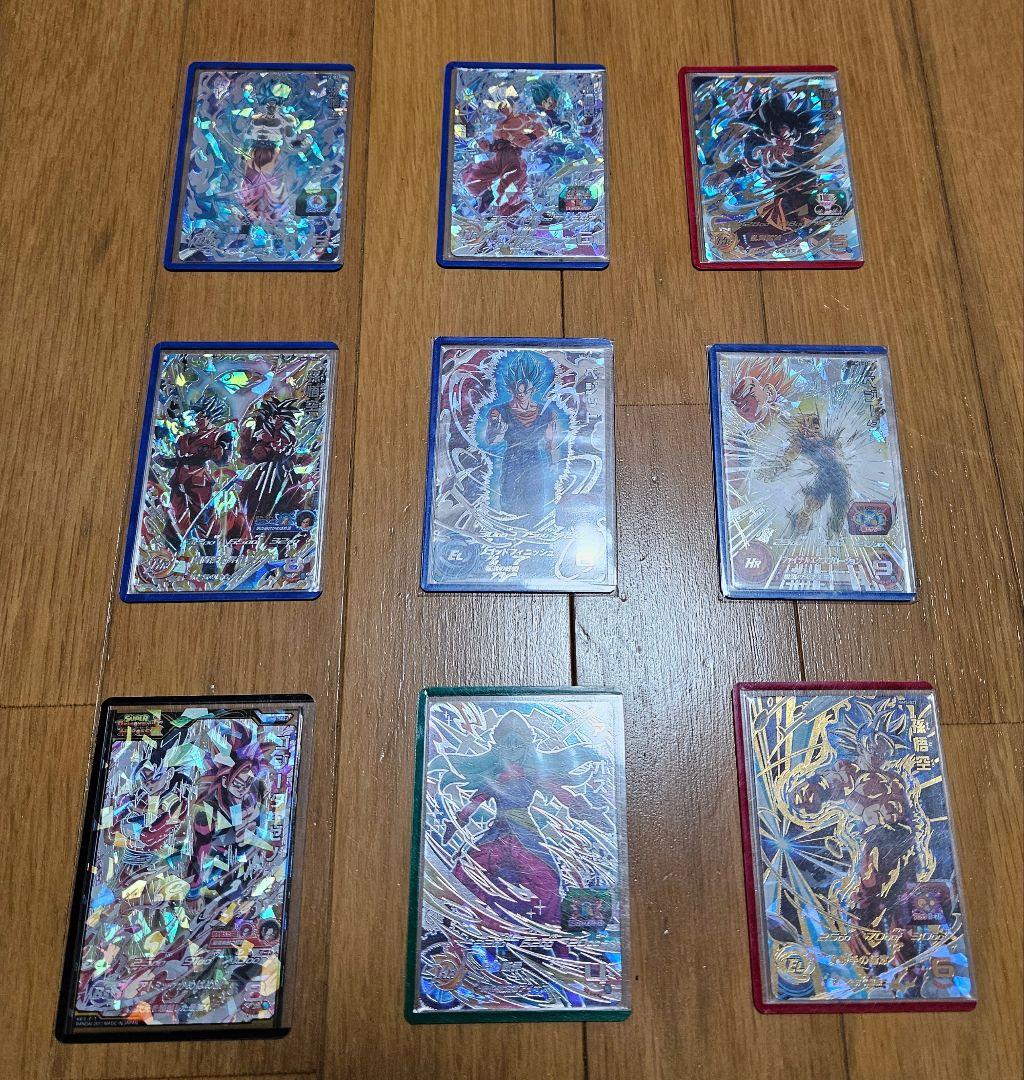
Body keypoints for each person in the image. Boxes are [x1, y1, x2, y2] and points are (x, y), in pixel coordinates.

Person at [440, 711, 607, 932]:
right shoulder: (495, 779)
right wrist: (457, 822)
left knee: (548, 879)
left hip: (526, 832)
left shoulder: (532, 776)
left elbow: (560, 793)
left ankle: (551, 929)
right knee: (465, 871)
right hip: (497, 833)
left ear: (527, 747)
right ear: (498, 748)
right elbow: (475, 802)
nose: (512, 749)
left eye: (518, 745)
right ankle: (456, 922)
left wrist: (586, 811)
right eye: (507, 745)